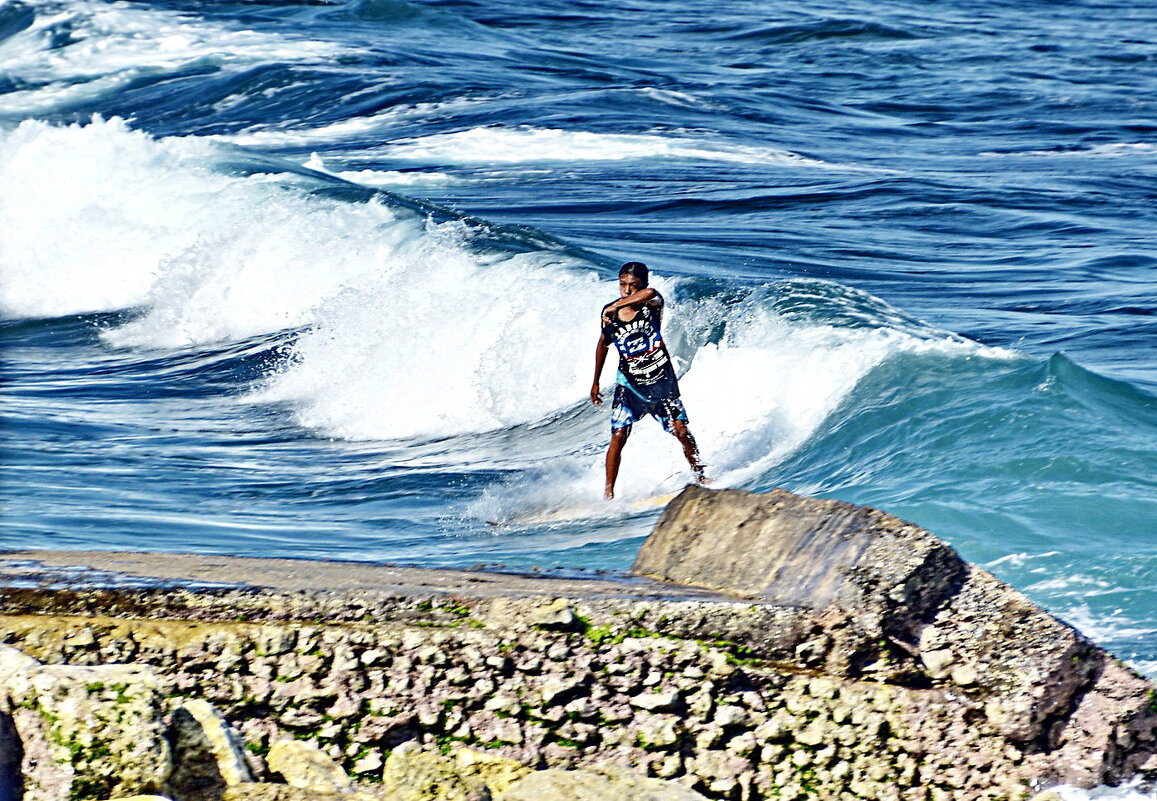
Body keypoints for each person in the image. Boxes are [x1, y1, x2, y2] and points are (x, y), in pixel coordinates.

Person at [590, 261, 706, 499]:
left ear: (643, 284)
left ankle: (700, 475)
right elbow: (603, 344)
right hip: (629, 384)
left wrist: (621, 304)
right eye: (623, 285)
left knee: (681, 431)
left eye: (633, 285)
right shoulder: (609, 313)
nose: (627, 290)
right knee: (619, 434)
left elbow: (652, 294)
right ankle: (608, 493)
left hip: (661, 381)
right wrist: (596, 382)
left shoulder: (651, 306)